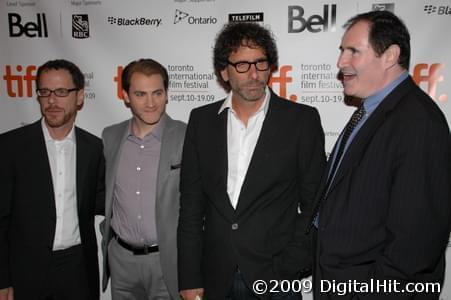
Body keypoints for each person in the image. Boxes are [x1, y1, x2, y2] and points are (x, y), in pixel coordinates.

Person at [178, 22, 326, 300]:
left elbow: (314, 206)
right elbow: (190, 206)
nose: (254, 74)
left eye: (261, 63)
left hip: (277, 278)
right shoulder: (202, 121)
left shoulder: (301, 120)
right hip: (214, 275)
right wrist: (189, 277)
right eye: (243, 65)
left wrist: (288, 268)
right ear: (224, 71)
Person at [312, 10, 451, 299]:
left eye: (353, 52)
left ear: (389, 56)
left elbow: (414, 247)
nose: (341, 62)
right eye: (342, 51)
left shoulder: (419, 122)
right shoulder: (370, 111)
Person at [0, 59, 105, 300]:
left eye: (61, 92)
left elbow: (104, 200)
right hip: (25, 272)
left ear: (79, 97)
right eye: (45, 92)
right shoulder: (10, 147)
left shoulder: (94, 148)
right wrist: (2, 278)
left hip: (78, 271)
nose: (52, 100)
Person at [101, 58, 186, 299]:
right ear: (126, 96)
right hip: (122, 262)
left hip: (168, 261)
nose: (151, 103)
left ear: (167, 94)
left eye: (157, 93)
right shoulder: (110, 137)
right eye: (140, 94)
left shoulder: (186, 136)